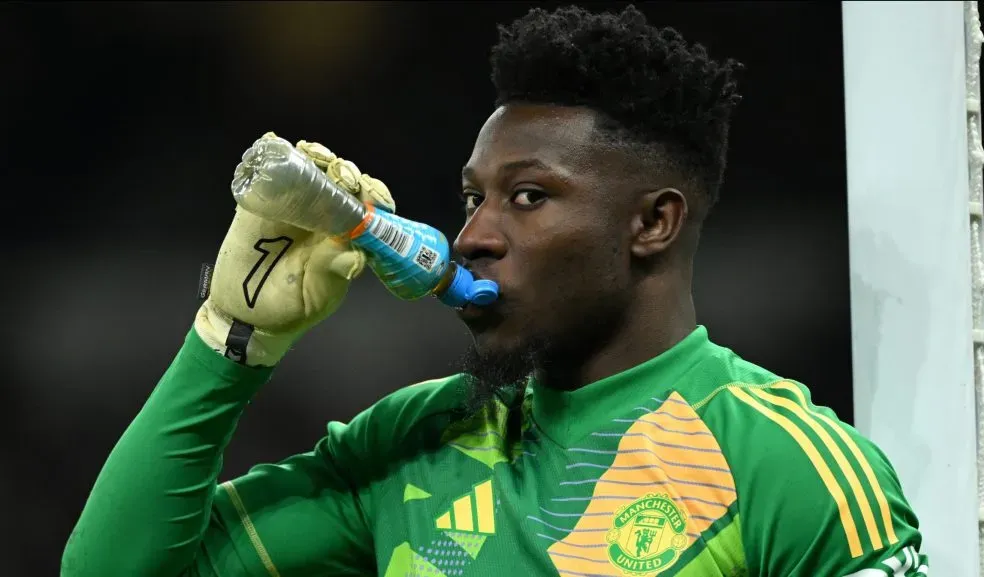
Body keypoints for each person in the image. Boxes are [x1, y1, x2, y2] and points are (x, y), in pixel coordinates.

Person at [63, 5, 929, 577]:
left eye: (527, 197)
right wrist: (230, 338)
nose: (473, 233)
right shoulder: (410, 443)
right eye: (474, 196)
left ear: (652, 224)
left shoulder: (786, 465)